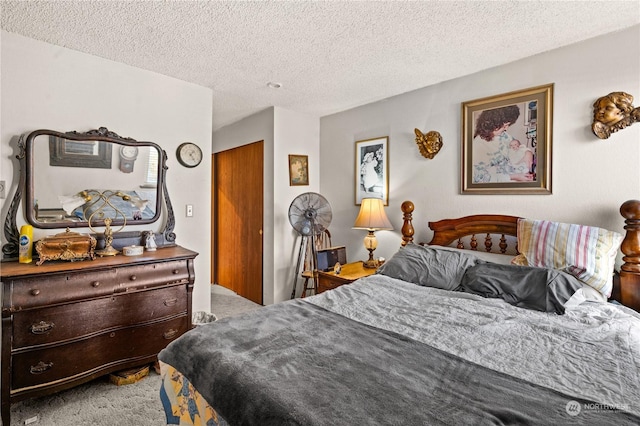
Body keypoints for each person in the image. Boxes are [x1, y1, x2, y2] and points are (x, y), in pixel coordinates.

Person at [472, 105, 534, 183]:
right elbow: (479, 179)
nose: (506, 129)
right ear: (492, 125)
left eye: (508, 125)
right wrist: (515, 177)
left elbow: (517, 146)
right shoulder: (477, 146)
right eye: (504, 126)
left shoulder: (503, 136)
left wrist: (528, 153)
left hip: (513, 173)